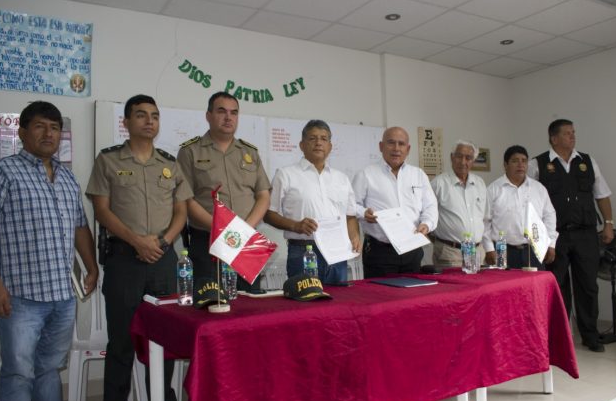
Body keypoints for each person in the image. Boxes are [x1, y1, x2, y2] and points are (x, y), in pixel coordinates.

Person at [0, 101, 98, 401]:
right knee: (18, 373)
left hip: (62, 296)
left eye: (55, 128)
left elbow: (79, 227)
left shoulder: (67, 178)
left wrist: (92, 266)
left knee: (49, 369)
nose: (49, 134)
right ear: (23, 132)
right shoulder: (1, 173)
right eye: (40, 126)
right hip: (20, 298)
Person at [86, 94, 191, 401]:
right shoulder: (108, 160)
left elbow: (181, 210)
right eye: (142, 115)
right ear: (127, 122)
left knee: (164, 341)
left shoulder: (169, 163)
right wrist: (137, 241)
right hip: (124, 261)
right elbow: (102, 211)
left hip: (163, 259)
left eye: (155, 116)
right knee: (121, 343)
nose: (149, 121)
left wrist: (164, 241)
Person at [529, 119, 614, 353]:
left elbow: (602, 195)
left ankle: (590, 335)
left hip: (586, 233)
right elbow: (530, 202)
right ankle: (559, 337)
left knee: (588, 285)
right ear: (553, 138)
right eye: (567, 133)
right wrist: (538, 238)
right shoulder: (538, 164)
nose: (572, 136)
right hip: (555, 236)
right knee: (558, 287)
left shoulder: (587, 162)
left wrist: (608, 223)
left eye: (573, 132)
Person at [177, 91, 270, 284]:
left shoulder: (250, 152)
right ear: (208, 116)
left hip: (245, 239)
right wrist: (222, 229)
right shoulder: (190, 151)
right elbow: (186, 199)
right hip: (208, 239)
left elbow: (263, 195)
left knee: (249, 298)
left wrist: (245, 229)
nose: (228, 117)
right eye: (221, 111)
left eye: (234, 113)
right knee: (209, 297)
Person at [264, 120, 362, 283]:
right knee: (306, 299)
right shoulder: (285, 174)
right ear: (302, 145)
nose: (318, 143)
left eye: (324, 139)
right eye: (312, 138)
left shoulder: (342, 178)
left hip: (337, 252)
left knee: (340, 299)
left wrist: (355, 237)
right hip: (303, 252)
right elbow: (268, 214)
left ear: (330, 146)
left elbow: (350, 216)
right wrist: (296, 225)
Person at [352, 127, 438, 278]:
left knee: (413, 292)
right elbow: (351, 206)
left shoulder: (418, 175)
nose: (396, 148)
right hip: (379, 252)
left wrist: (427, 224)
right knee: (380, 292)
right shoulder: (366, 174)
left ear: (408, 149)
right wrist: (363, 213)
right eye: (391, 143)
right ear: (381, 146)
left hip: (412, 249)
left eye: (401, 144)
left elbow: (430, 206)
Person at [483, 145, 557, 269]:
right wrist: (489, 248)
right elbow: (485, 221)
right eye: (515, 161)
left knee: (536, 282)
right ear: (505, 165)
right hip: (502, 250)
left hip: (535, 250)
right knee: (505, 282)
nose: (520, 165)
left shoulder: (539, 188)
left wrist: (551, 244)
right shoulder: (493, 189)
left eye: (524, 161)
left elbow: (549, 216)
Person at [429, 140, 487, 269]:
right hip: (450, 253)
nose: (463, 162)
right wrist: (440, 242)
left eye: (468, 158)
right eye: (459, 156)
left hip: (477, 251)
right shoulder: (438, 184)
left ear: (473, 161)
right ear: (452, 157)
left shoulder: (480, 183)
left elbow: (484, 218)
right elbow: (426, 217)